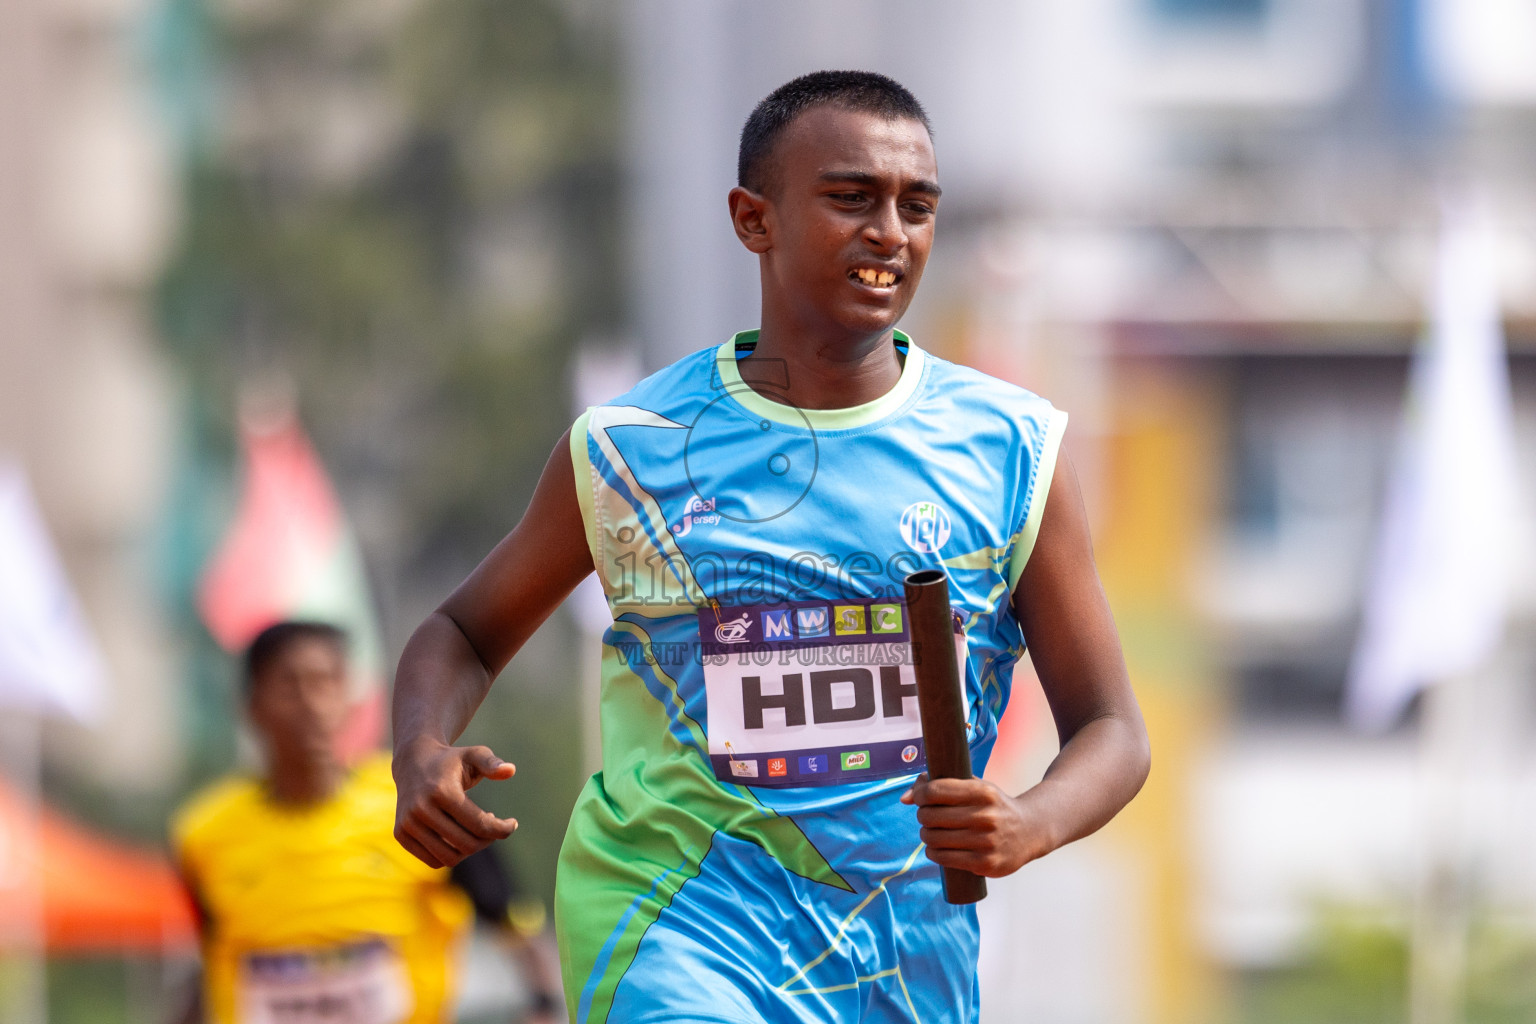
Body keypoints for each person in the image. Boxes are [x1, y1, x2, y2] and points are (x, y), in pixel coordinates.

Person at [391, 70, 1150, 1023]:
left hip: (897, 960)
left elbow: (1113, 730)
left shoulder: (1013, 450)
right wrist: (419, 748)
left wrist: (1026, 824)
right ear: (755, 219)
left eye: (917, 206)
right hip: (671, 926)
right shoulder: (633, 446)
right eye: (850, 198)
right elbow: (463, 629)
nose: (890, 233)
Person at [171, 620, 563, 1024]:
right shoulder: (205, 834)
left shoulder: (416, 801)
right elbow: (211, 955)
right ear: (250, 706)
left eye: (327, 682)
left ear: (353, 700)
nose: (312, 702)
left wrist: (545, 1003)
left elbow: (510, 916)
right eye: (291, 684)